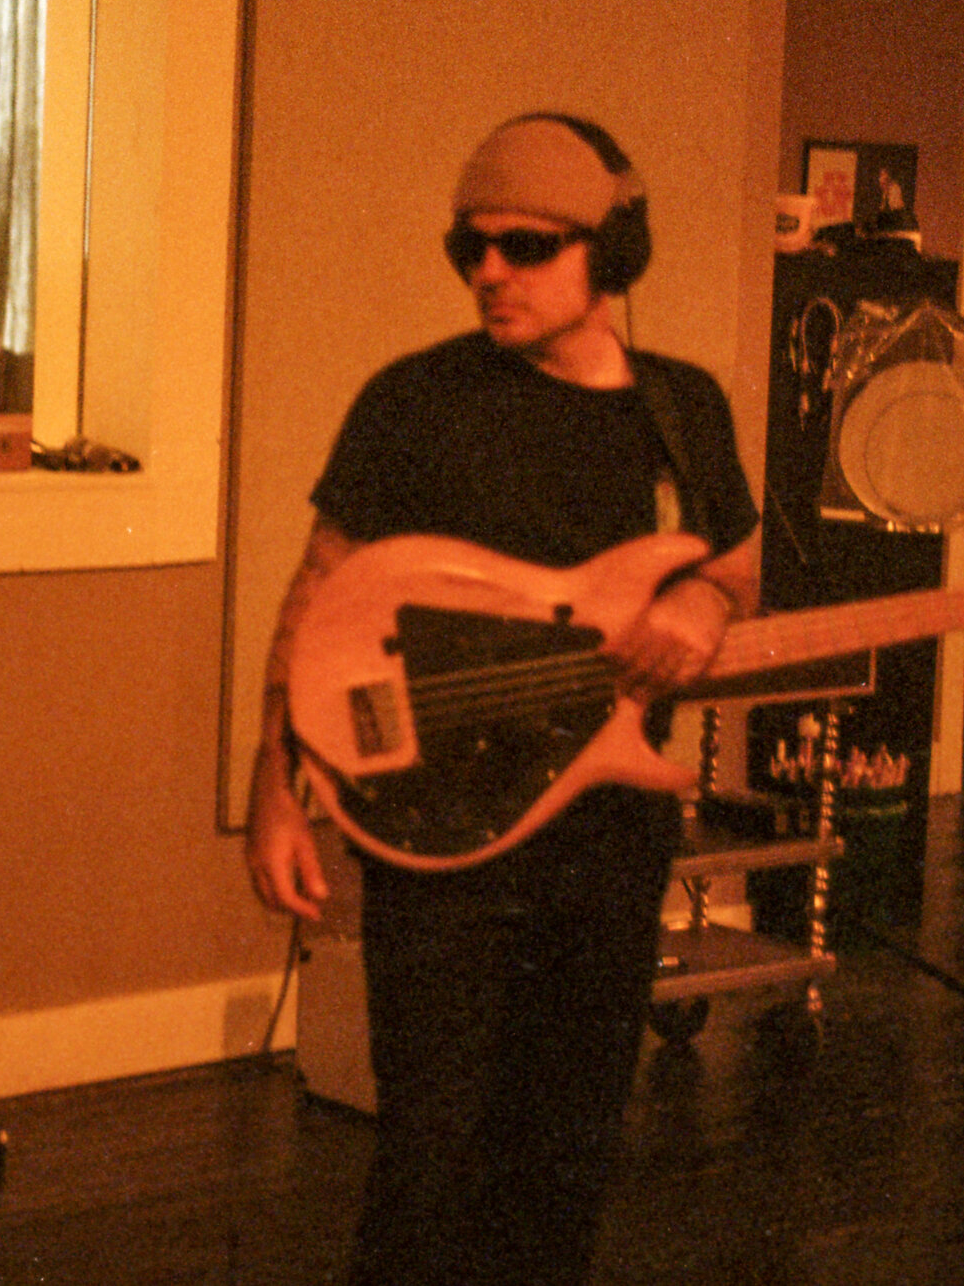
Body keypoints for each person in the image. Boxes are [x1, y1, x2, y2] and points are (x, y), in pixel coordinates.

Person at [244, 113, 761, 1285]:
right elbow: (316, 597)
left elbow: (735, 563)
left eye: (526, 247)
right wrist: (275, 790)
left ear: (611, 253)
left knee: (568, 1154)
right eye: (469, 248)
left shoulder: (680, 409)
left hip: (609, 834)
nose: (490, 272)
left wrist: (703, 608)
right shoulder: (415, 402)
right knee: (427, 1159)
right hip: (440, 837)